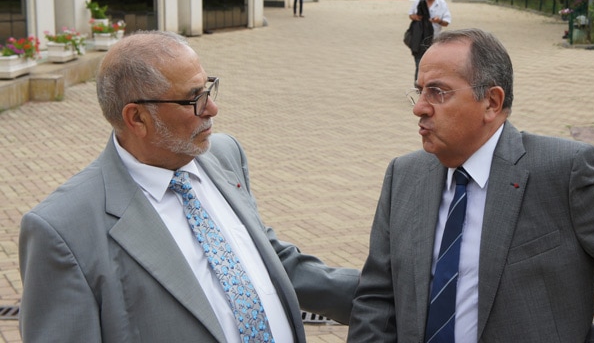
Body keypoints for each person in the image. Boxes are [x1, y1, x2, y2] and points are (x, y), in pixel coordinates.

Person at [348, 28, 594, 342]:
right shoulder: (404, 175)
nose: (420, 108)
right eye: (419, 91)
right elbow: (377, 297)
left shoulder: (562, 171)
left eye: (438, 92)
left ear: (492, 102)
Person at [18, 31, 359, 343]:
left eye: (208, 88)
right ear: (137, 118)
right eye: (193, 98)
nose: (212, 107)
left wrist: (385, 296)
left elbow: (264, 258)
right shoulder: (61, 229)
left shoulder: (224, 154)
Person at [408, 0, 451, 82]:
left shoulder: (441, 3)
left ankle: (430, 85)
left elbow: (447, 22)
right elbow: (410, 14)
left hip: (434, 39)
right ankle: (418, 86)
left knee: (433, 66)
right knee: (419, 64)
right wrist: (415, 17)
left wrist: (438, 21)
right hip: (419, 39)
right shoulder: (419, 1)